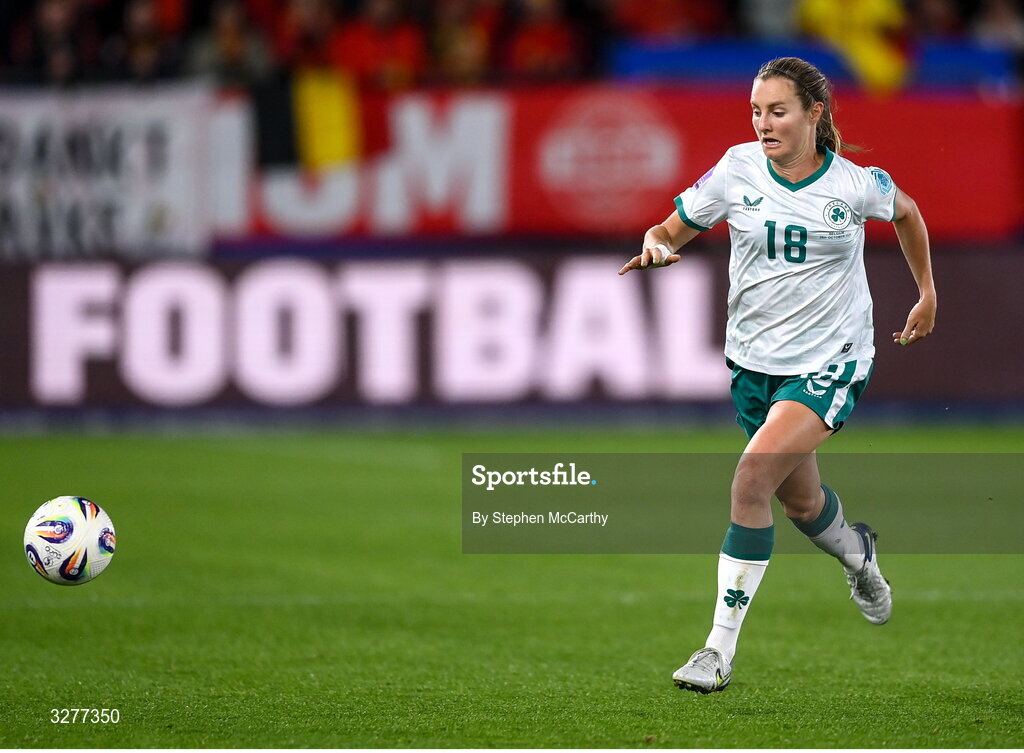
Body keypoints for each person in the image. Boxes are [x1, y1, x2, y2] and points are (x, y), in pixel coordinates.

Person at [618, 56, 936, 694]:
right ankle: (858, 553)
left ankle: (716, 651)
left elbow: (906, 212)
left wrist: (926, 291)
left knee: (751, 477)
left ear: (815, 113)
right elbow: (673, 226)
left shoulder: (853, 184)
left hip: (832, 359)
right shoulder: (736, 169)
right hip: (753, 364)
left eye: (779, 111)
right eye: (757, 111)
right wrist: (658, 244)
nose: (764, 123)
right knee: (800, 502)